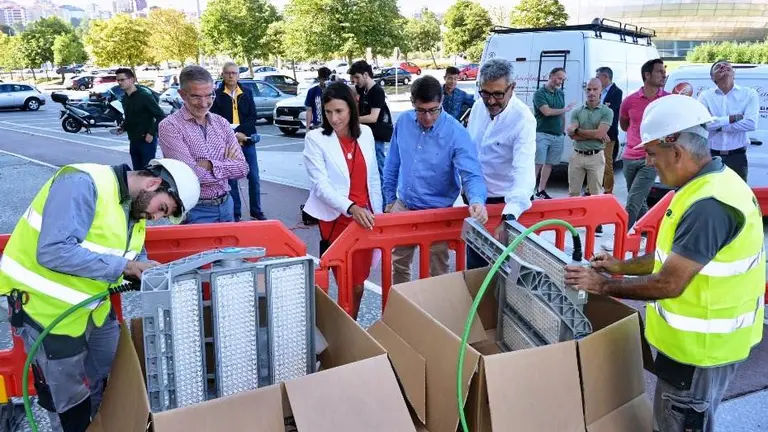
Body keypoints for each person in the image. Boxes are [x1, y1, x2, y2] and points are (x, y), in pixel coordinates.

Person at [565, 94, 764, 432]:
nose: (649, 163)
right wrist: (619, 265)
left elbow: (670, 282)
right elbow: (670, 259)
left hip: (699, 353)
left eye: (652, 154)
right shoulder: (707, 186)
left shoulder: (709, 205)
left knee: (680, 422)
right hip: (700, 349)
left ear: (677, 151)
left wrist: (603, 285)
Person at [0, 159, 200, 432]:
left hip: (93, 309)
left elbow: (127, 250)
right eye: (162, 208)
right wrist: (127, 267)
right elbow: (54, 251)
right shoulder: (82, 183)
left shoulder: (134, 206)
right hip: (48, 313)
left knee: (118, 379)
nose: (156, 217)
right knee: (69, 402)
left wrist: (144, 267)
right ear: (153, 183)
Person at [384, 75, 488, 285]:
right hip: (404, 207)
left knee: (438, 272)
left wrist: (476, 199)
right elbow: (392, 163)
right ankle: (400, 311)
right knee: (398, 264)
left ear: (441, 102)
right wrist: (388, 200)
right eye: (421, 111)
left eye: (434, 110)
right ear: (413, 103)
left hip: (438, 213)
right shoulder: (404, 122)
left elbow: (470, 172)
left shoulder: (456, 132)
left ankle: (435, 313)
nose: (428, 117)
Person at [302, 82, 382, 320]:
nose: (334, 118)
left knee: (358, 284)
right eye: (328, 112)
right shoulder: (316, 138)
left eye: (339, 111)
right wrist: (350, 207)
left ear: (352, 108)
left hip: (364, 219)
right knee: (345, 282)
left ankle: (350, 327)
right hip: (337, 220)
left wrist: (379, 212)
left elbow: (373, 176)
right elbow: (320, 185)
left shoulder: (365, 134)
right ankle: (343, 330)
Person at [465, 58, 536, 269]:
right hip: (478, 201)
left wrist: (509, 216)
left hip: (506, 204)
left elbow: (523, 171)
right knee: (477, 268)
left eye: (498, 94)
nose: (491, 101)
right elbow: (471, 151)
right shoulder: (479, 106)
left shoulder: (523, 119)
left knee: (506, 273)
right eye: (485, 93)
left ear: (512, 88)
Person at [158, 65, 249, 224]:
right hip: (195, 210)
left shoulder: (221, 123)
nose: (204, 103)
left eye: (209, 95)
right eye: (195, 96)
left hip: (227, 205)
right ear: (182, 94)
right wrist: (226, 164)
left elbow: (242, 168)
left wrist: (208, 165)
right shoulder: (170, 126)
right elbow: (190, 177)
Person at [616, 58, 669, 237]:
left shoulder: (668, 99)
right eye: (659, 71)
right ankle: (649, 231)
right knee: (639, 200)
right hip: (629, 157)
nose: (664, 74)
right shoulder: (629, 101)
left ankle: (622, 237)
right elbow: (624, 125)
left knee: (633, 200)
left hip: (652, 158)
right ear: (647, 75)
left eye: (664, 71)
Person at [209, 62, 266, 221]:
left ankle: (256, 211)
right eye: (228, 73)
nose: (231, 76)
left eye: (234, 73)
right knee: (232, 179)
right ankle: (236, 213)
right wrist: (233, 135)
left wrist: (241, 132)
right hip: (227, 143)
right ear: (223, 74)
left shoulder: (246, 92)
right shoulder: (216, 95)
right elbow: (215, 119)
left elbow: (252, 117)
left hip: (247, 140)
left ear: (238, 75)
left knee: (254, 177)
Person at [698, 60, 759, 182]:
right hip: (711, 156)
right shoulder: (705, 96)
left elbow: (751, 124)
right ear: (712, 78)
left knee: (738, 196)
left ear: (733, 73)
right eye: (718, 67)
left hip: (737, 157)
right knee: (711, 193)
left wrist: (719, 126)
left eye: (726, 65)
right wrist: (731, 118)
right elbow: (703, 124)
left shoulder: (749, 94)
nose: (723, 66)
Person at [349, 60, 393, 202]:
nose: (355, 81)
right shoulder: (364, 89)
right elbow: (351, 89)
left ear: (366, 75)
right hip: (368, 135)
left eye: (357, 77)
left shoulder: (377, 92)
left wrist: (353, 119)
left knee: (380, 169)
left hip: (377, 136)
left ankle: (387, 201)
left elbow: (373, 117)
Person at [566, 78, 613, 201]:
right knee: (573, 194)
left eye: (595, 89)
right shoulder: (577, 111)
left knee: (595, 195)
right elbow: (571, 134)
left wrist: (577, 131)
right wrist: (593, 134)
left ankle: (594, 221)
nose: (591, 92)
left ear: (601, 90)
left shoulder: (607, 112)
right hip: (577, 156)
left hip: (596, 157)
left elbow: (599, 133)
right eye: (588, 89)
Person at [533, 67, 576, 199]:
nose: (560, 82)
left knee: (549, 164)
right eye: (558, 78)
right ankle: (529, 191)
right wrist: (566, 109)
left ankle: (542, 190)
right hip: (542, 134)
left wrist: (562, 131)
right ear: (551, 76)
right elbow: (547, 112)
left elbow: (562, 115)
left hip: (557, 135)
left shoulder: (560, 93)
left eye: (562, 79)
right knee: (537, 164)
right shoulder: (539, 93)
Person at [114, 68, 166, 170]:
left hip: (146, 141)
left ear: (132, 79)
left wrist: (151, 133)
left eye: (122, 80)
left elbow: (160, 116)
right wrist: (123, 127)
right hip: (133, 140)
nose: (120, 83)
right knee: (137, 172)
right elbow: (130, 117)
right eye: (118, 80)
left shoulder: (144, 96)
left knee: (147, 173)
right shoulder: (125, 98)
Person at [595, 66, 623, 195]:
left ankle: (608, 191)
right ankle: (592, 189)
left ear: (605, 77)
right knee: (594, 163)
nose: (596, 79)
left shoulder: (616, 92)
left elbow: (610, 112)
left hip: (608, 134)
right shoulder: (597, 91)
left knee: (607, 164)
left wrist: (604, 131)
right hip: (595, 133)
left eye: (598, 77)